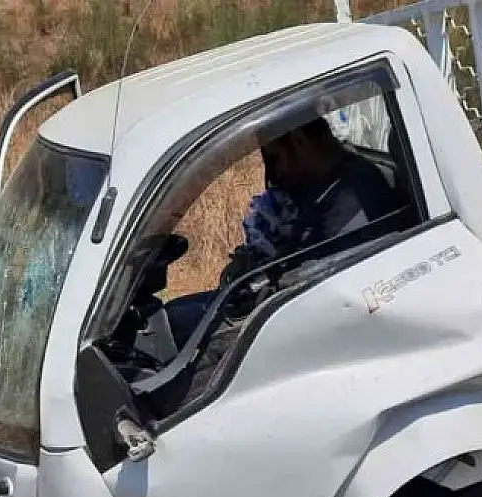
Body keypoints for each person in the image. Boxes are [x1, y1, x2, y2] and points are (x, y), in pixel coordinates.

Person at [164, 116, 402, 347]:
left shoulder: (353, 202)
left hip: (298, 326)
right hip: (283, 308)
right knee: (173, 316)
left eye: (275, 158)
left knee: (177, 330)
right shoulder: (322, 185)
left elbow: (318, 288)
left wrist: (260, 279)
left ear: (299, 140)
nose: (275, 172)